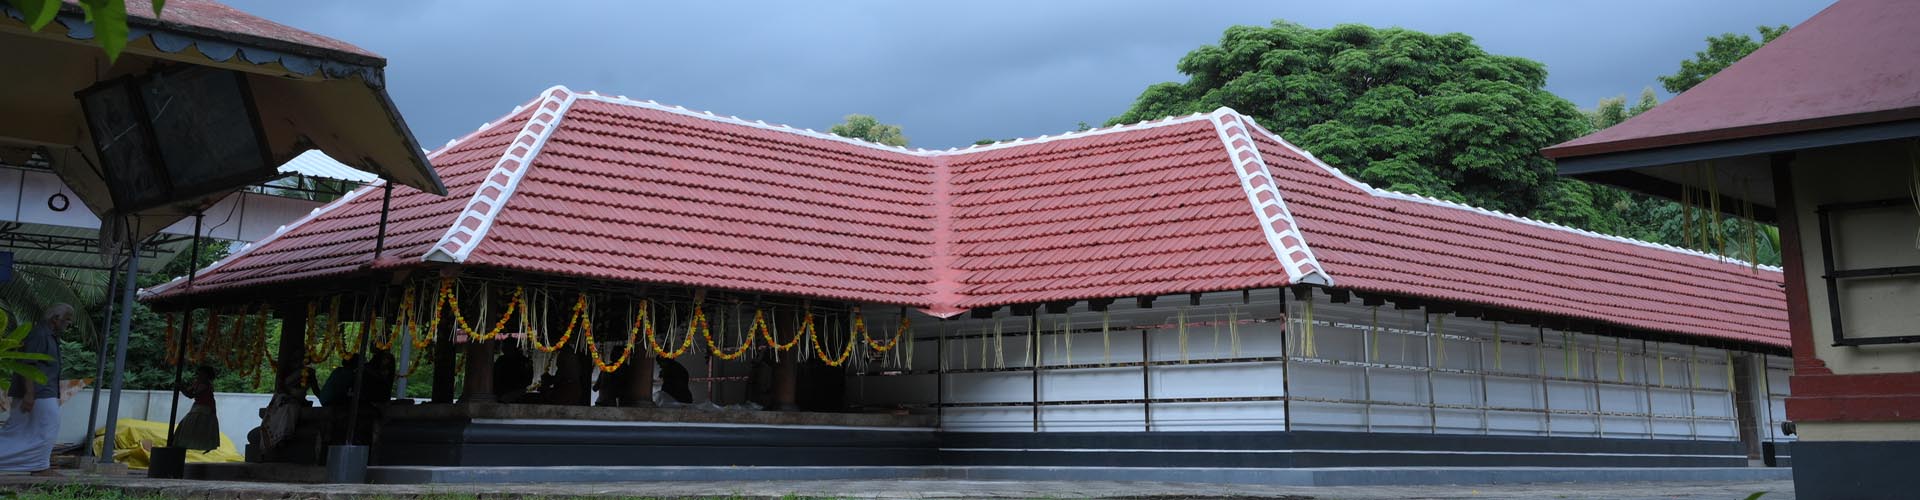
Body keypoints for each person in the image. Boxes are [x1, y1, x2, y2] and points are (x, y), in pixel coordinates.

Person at [0, 304, 74, 474]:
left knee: (21, 430)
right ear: (55, 319)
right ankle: (40, 467)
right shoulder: (39, 334)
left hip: (42, 391)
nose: (67, 325)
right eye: (67, 321)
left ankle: (39, 465)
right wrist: (29, 393)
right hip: (37, 392)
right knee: (47, 426)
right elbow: (28, 364)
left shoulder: (49, 335)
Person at [171, 365, 221, 452]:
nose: (199, 375)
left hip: (204, 408)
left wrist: (180, 387)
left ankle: (187, 443)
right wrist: (182, 387)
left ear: (206, 375)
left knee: (192, 426)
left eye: (202, 373)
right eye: (199, 373)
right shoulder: (198, 383)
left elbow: (191, 395)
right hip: (200, 407)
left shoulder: (205, 384)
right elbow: (190, 393)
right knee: (189, 426)